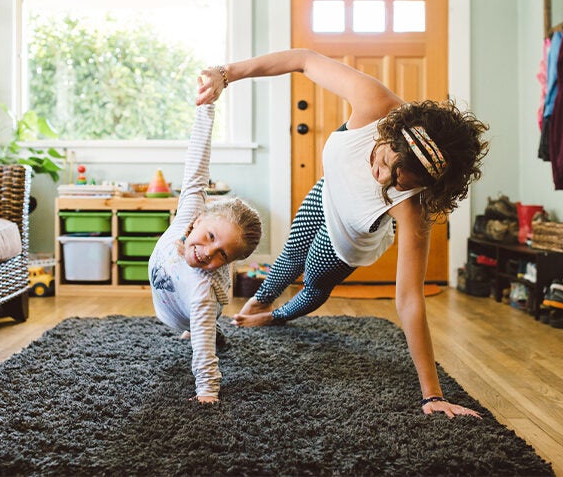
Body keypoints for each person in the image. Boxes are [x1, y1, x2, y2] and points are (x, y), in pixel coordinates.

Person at [196, 50, 489, 418]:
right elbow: (303, 59)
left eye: (397, 183)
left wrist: (432, 395)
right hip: (328, 191)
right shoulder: (375, 103)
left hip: (349, 236)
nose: (382, 178)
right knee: (290, 254)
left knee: (314, 283)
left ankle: (278, 316)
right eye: (384, 162)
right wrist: (227, 73)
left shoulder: (414, 209)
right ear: (389, 132)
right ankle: (261, 301)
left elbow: (410, 299)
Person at [148, 102, 262, 404]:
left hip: (189, 313)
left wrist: (207, 392)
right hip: (172, 303)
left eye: (221, 254)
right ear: (199, 220)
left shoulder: (201, 291)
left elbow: (204, 356)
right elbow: (197, 166)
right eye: (209, 236)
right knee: (202, 325)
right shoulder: (189, 213)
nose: (206, 252)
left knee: (203, 332)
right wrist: (205, 110)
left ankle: (212, 330)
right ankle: (208, 329)